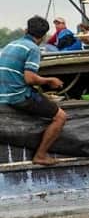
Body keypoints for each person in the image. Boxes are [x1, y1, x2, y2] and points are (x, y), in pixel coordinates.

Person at [0, 16, 67, 165]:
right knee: (60, 116)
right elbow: (30, 78)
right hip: (18, 96)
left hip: (3, 94)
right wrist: (50, 80)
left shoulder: (11, 44)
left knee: (40, 98)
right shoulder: (33, 48)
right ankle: (41, 155)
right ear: (42, 37)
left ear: (26, 30)